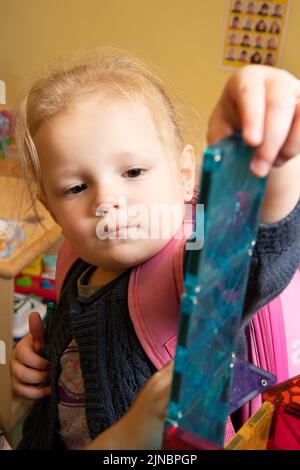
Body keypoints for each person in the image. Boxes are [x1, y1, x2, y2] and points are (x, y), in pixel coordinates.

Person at [11, 48, 300, 449]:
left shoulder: (188, 268)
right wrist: (37, 361)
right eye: (76, 187)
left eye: (133, 172)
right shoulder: (76, 259)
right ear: (51, 209)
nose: (107, 200)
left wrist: (274, 156)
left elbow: (255, 253)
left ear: (184, 177)